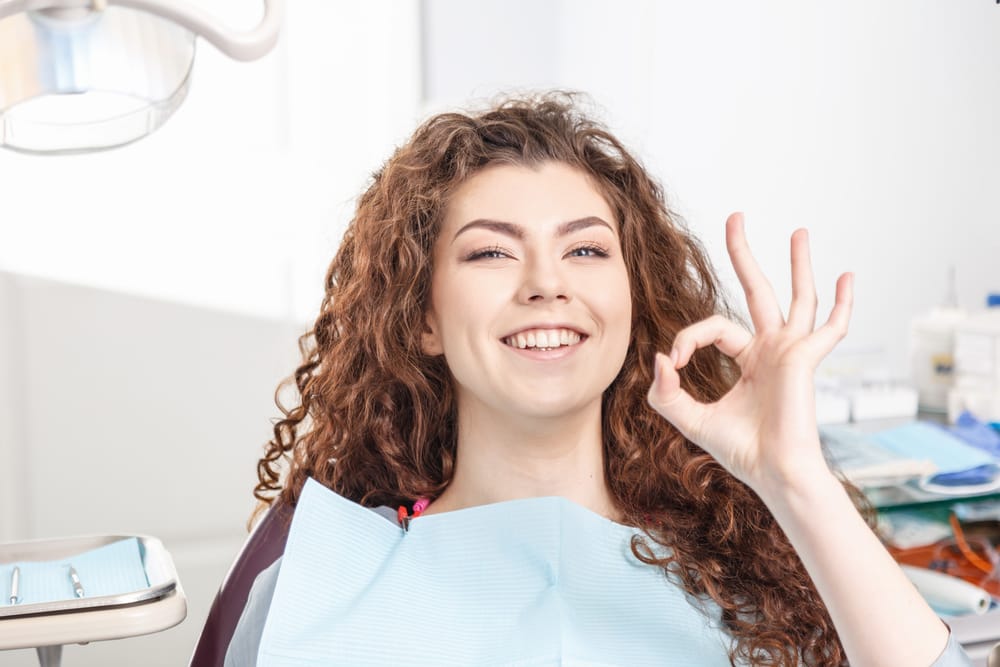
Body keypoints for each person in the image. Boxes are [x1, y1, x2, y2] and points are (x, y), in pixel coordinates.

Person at [232, 92, 971, 666]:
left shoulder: (753, 582)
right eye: (491, 253)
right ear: (422, 318)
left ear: (632, 298)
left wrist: (794, 478)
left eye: (586, 251)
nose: (547, 284)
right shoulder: (316, 591)